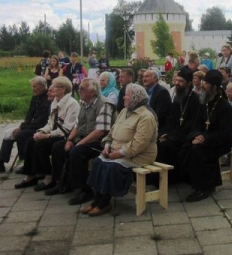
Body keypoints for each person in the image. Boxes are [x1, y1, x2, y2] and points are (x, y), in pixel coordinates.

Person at [82, 83, 158, 216]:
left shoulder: (146, 116)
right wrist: (107, 147)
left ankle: (104, 203)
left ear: (136, 98)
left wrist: (118, 153)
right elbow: (111, 133)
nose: (123, 98)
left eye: (127, 95)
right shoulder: (124, 111)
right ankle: (97, 200)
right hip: (117, 151)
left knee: (112, 168)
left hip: (139, 155)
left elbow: (139, 143)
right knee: (98, 163)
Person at [48, 78, 114, 204]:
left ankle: (85, 190)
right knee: (58, 146)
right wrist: (70, 139)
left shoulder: (104, 104)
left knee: (77, 152)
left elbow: (100, 131)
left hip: (101, 142)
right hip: (85, 137)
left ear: (93, 91)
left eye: (82, 89)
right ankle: (61, 183)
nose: (79, 91)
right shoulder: (84, 103)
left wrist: (78, 144)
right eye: (79, 88)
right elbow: (77, 125)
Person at [15, 77, 79, 190]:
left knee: (42, 144)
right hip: (56, 133)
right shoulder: (55, 101)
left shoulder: (72, 104)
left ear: (63, 89)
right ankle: (30, 176)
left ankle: (49, 177)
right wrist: (41, 131)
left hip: (66, 136)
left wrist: (47, 135)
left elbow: (67, 129)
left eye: (55, 86)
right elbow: (50, 123)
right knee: (31, 140)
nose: (52, 88)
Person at [180, 69, 232, 202]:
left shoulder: (224, 106)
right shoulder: (203, 103)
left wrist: (205, 138)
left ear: (214, 87)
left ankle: (204, 187)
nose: (202, 85)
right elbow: (196, 124)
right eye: (203, 82)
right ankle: (190, 180)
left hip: (221, 142)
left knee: (199, 151)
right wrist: (197, 135)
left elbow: (225, 132)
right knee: (184, 147)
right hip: (203, 138)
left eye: (206, 83)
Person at [0, 76, 50, 175]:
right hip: (32, 126)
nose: (33, 89)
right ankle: (0, 164)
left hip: (42, 127)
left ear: (43, 86)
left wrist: (22, 127)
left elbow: (41, 120)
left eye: (35, 86)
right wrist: (22, 125)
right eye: (32, 86)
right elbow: (30, 113)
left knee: (21, 135)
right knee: (8, 133)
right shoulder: (35, 96)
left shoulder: (48, 98)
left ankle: (27, 163)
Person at [155, 67, 200, 184]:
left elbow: (193, 122)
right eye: (176, 80)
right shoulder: (178, 97)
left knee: (167, 145)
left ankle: (172, 178)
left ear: (189, 83)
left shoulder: (195, 99)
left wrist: (173, 135)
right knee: (159, 140)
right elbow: (171, 118)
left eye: (181, 81)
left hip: (187, 134)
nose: (177, 83)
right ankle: (159, 178)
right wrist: (167, 133)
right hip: (175, 133)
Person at [143, 69, 172, 134]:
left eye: (147, 76)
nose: (144, 79)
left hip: (157, 128)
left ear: (155, 78)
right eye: (143, 76)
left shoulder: (162, 92)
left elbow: (160, 115)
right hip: (145, 125)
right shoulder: (144, 91)